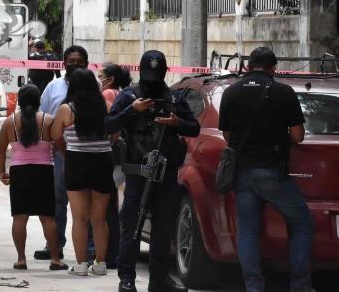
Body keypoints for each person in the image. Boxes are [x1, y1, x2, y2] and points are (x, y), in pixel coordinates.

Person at [218, 47, 313, 292]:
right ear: (273, 68)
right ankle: (300, 286)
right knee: (302, 223)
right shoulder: (284, 92)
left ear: (248, 67)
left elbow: (228, 135)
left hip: (242, 173)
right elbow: (298, 136)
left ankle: (254, 287)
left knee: (247, 230)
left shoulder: (231, 92)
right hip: (271, 171)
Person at [106, 50, 199, 292]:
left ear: (165, 73)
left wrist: (177, 123)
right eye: (148, 77)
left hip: (165, 173)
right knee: (131, 226)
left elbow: (194, 129)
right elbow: (108, 125)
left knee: (163, 227)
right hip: (137, 172)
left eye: (156, 77)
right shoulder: (128, 97)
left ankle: (159, 279)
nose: (152, 83)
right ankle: (126, 279)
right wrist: (132, 111)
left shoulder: (175, 99)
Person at [0, 84, 67, 271]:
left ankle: (21, 259)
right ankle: (55, 259)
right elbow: (61, 145)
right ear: (38, 101)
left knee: (19, 218)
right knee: (48, 219)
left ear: (19, 101)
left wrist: (2, 171)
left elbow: (0, 149)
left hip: (19, 173)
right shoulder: (49, 120)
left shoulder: (10, 122)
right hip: (44, 172)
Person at [51, 69, 113, 277]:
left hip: (76, 161)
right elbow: (114, 136)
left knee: (79, 218)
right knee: (99, 218)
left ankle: (81, 265)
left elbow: (56, 136)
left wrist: (65, 153)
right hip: (103, 161)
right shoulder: (107, 107)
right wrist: (102, 145)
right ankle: (100, 263)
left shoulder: (66, 110)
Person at [33, 45, 90, 261]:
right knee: (57, 200)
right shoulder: (53, 87)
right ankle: (54, 245)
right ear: (64, 64)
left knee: (87, 201)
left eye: (79, 62)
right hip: (59, 153)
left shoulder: (95, 86)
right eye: (70, 61)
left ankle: (90, 248)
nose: (74, 65)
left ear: (87, 63)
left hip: (87, 153)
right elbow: (45, 117)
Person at [97, 63, 133, 268]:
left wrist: (108, 143)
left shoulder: (108, 94)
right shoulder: (120, 92)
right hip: (121, 157)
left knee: (108, 207)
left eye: (100, 76)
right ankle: (113, 253)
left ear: (109, 79)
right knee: (112, 204)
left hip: (112, 155)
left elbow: (112, 124)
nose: (98, 79)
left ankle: (111, 254)